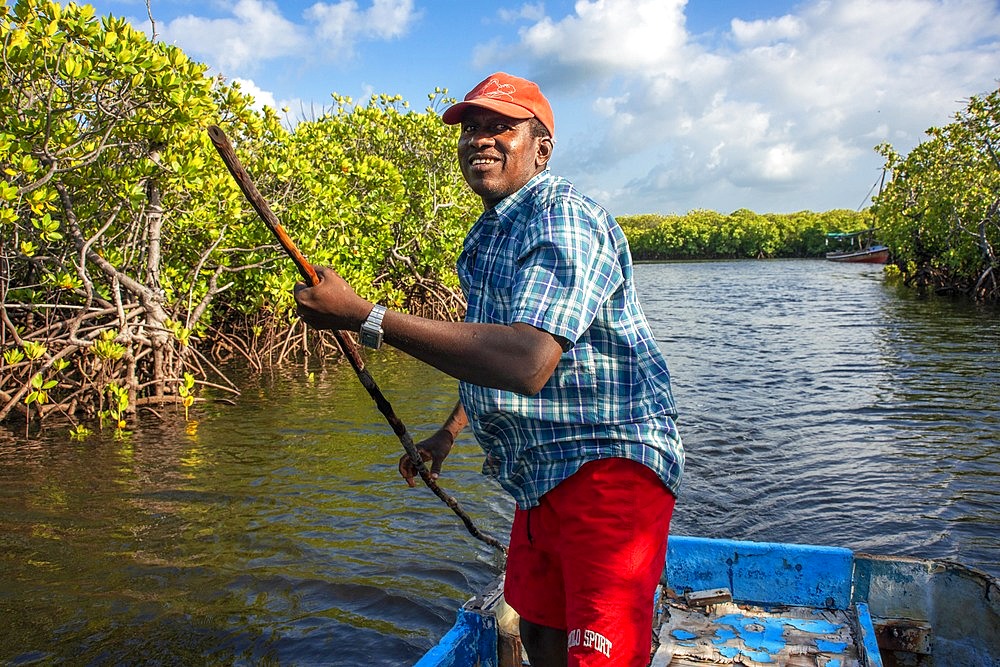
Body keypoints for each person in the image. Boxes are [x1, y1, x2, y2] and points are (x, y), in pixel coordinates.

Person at [294, 72, 684, 667]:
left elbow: (527, 361)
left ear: (541, 148)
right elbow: (490, 345)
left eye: (501, 127)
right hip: (537, 475)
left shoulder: (562, 219)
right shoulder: (487, 235)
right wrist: (448, 434)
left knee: (600, 654)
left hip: (607, 470)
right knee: (539, 630)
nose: (481, 139)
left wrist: (365, 316)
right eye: (471, 128)